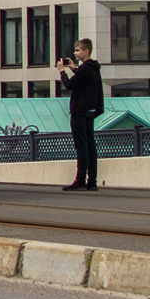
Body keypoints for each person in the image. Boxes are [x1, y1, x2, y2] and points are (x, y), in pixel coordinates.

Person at [57, 38, 104, 190]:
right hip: (90, 110)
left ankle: (80, 180)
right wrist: (74, 69)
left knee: (81, 146)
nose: (75, 53)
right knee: (90, 146)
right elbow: (84, 80)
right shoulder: (94, 68)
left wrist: (62, 71)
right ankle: (92, 181)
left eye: (77, 50)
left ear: (86, 51)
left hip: (79, 111)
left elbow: (70, 85)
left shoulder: (85, 68)